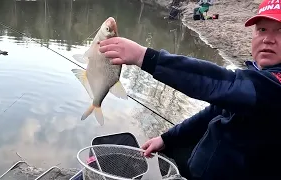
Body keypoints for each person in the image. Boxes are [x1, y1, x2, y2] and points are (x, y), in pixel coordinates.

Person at [98, 0, 281, 179]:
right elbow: (216, 110)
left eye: (280, 31)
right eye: (262, 30)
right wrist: (167, 139)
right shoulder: (257, 75)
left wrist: (145, 57)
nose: (267, 39)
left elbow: (223, 84)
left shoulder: (272, 86)